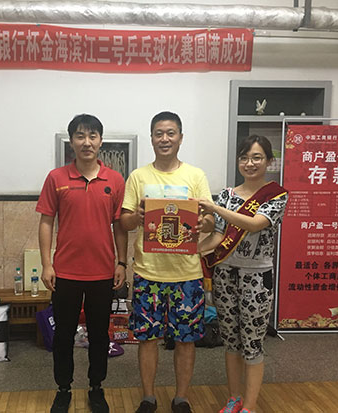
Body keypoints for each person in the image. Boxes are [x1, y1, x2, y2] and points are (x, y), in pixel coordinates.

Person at [120, 111, 214, 413]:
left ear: (180, 138)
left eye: (171, 133)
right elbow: (124, 221)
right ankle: (148, 397)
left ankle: (181, 397)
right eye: (159, 133)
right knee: (147, 339)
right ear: (151, 138)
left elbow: (210, 219)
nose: (165, 139)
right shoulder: (138, 177)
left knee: (186, 340)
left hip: (187, 274)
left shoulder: (195, 176)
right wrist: (138, 217)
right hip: (148, 273)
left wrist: (203, 224)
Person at [36, 114, 127, 413]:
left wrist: (121, 263)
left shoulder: (115, 180)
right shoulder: (56, 178)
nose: (86, 142)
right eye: (80, 136)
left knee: (100, 335)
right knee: (63, 335)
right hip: (65, 272)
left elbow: (120, 226)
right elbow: (46, 222)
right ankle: (63, 388)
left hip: (102, 273)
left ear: (100, 141)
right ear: (72, 141)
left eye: (92, 136)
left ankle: (96, 387)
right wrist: (46, 264)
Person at [198, 135, 288, 413]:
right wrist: (189, 250)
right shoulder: (228, 195)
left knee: (252, 341)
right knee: (231, 340)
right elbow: (218, 237)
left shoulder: (277, 195)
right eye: (244, 158)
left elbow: (254, 224)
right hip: (225, 274)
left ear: (269, 161)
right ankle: (234, 398)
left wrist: (215, 208)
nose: (250, 163)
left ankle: (249, 406)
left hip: (257, 278)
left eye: (257, 157)